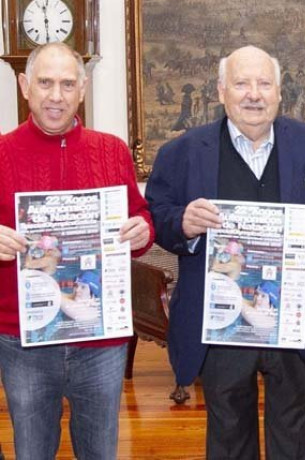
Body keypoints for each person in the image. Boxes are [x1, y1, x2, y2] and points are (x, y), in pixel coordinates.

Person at [145, 45, 305, 459]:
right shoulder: (184, 151)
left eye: (264, 84)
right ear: (222, 91)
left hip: (295, 319)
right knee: (228, 434)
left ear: (280, 92)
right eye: (241, 83)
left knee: (294, 433)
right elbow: (158, 214)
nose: (253, 94)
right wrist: (183, 225)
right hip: (221, 324)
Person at [0, 42, 154, 460]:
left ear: (82, 89)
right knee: (31, 451)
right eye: (45, 83)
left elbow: (140, 217)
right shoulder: (1, 153)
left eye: (68, 84)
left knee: (100, 451)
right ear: (24, 85)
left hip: (100, 340)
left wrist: (142, 230)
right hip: (24, 340)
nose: (56, 95)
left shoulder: (112, 150)